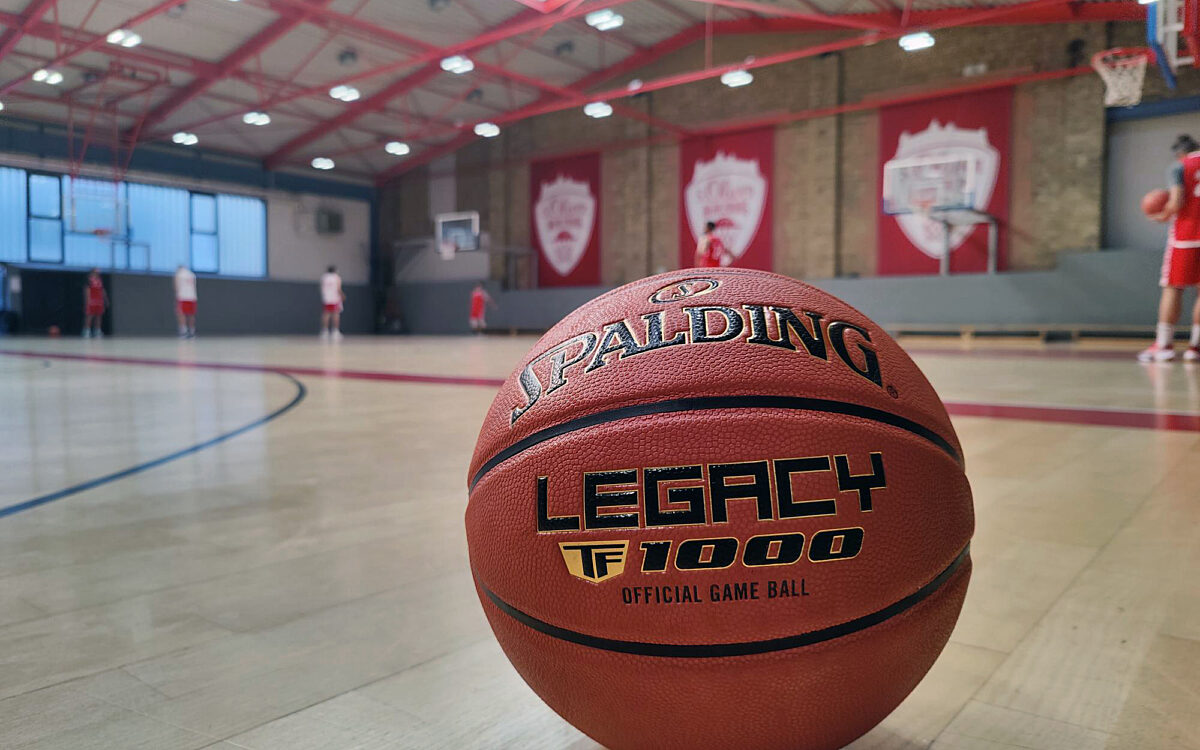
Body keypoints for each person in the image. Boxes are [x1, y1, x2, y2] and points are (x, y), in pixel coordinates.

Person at [1141, 134, 1200, 362]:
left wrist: (1161, 215)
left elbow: (1175, 203)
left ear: (1180, 153)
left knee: (1173, 288)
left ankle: (1164, 345)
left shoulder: (1179, 166)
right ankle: (1195, 348)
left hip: (1186, 236)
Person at [320, 265, 345, 339]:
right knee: (336, 314)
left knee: (326, 314)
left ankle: (324, 331)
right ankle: (335, 332)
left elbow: (322, 287)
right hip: (334, 298)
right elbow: (338, 288)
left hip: (326, 298)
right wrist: (342, 295)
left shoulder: (324, 277)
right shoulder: (336, 277)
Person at [82, 268, 107, 338]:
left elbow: (102, 290)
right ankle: (86, 331)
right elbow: (86, 290)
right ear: (92, 272)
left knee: (99, 316)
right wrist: (87, 300)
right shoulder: (89, 280)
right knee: (90, 316)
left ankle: (97, 331)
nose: (98, 273)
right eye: (96, 272)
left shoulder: (100, 280)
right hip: (92, 301)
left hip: (99, 301)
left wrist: (105, 300)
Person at [174, 265, 197, 338]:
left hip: (183, 297)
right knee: (191, 314)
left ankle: (183, 331)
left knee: (181, 314)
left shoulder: (178, 274)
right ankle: (192, 331)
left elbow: (176, 286)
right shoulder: (192, 274)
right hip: (192, 297)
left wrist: (177, 295)